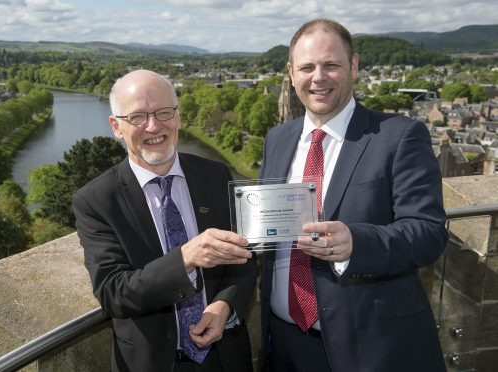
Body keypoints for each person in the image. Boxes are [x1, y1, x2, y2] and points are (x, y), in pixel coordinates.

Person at [258, 19, 448, 372]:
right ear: (291, 72)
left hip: (369, 350)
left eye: (331, 65)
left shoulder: (399, 136)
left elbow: (430, 232)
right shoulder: (277, 139)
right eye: (306, 67)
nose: (318, 77)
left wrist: (356, 243)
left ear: (354, 66)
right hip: (283, 344)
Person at [72, 69, 257, 372]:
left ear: (179, 116)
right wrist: (186, 257)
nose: (154, 125)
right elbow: (114, 293)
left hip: (225, 359)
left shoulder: (215, 175)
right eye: (138, 117)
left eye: (163, 112)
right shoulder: (96, 201)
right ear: (116, 126)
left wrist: (225, 305)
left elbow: (244, 259)